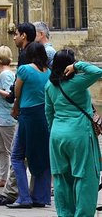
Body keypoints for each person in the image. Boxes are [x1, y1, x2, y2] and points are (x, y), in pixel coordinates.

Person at [46, 50, 102, 217]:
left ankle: (65, 214)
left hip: (57, 135)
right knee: (85, 178)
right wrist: (77, 66)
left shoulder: (49, 85)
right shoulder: (78, 82)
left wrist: (55, 132)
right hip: (79, 134)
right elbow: (98, 71)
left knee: (61, 179)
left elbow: (48, 113)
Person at [0, 21, 37, 207]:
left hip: (25, 110)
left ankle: (13, 192)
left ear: (24, 35)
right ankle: (34, 193)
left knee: (17, 154)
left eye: (16, 34)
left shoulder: (26, 55)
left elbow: (20, 83)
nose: (14, 37)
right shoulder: (32, 53)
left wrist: (13, 100)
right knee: (28, 154)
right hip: (33, 110)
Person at [8, 42, 51, 208]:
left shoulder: (24, 69)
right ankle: (41, 197)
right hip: (44, 115)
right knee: (42, 155)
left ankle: (24, 197)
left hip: (28, 114)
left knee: (17, 156)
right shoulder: (49, 72)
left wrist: (16, 107)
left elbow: (17, 92)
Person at [0, 45, 17, 189]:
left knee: (11, 150)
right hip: (0, 117)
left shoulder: (6, 75)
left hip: (7, 118)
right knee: (3, 150)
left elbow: (10, 95)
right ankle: (3, 178)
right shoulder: (6, 74)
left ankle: (13, 181)